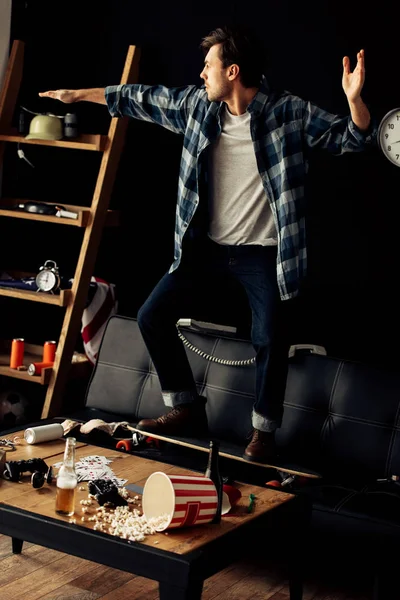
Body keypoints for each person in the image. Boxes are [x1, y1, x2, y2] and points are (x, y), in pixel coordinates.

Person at [39, 25, 375, 462]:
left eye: (208, 66)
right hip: (208, 248)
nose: (201, 75)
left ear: (232, 71)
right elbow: (140, 97)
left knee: (269, 335)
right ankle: (185, 408)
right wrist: (78, 95)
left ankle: (264, 434)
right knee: (152, 315)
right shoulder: (199, 108)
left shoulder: (287, 113)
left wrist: (354, 101)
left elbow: (353, 138)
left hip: (263, 251)